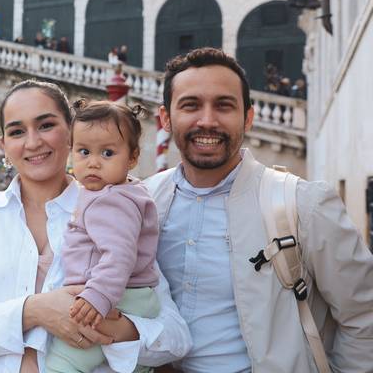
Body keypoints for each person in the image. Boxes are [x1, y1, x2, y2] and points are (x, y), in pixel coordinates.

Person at [0, 79, 192, 373]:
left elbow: (176, 338)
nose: (33, 142)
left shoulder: (115, 206)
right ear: (4, 146)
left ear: (71, 133)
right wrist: (34, 311)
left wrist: (116, 330)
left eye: (46, 125)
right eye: (17, 131)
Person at [146, 47, 373, 372]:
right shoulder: (142, 203)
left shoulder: (303, 204)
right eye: (191, 105)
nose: (207, 120)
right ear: (166, 118)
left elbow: (363, 315)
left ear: (248, 117)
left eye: (224, 105)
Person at [46, 100, 160, 373]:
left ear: (132, 158)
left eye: (107, 153)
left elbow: (120, 255)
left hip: (114, 298)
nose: (93, 163)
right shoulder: (127, 192)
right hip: (133, 297)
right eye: (84, 152)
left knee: (62, 364)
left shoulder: (108, 201)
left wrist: (96, 296)